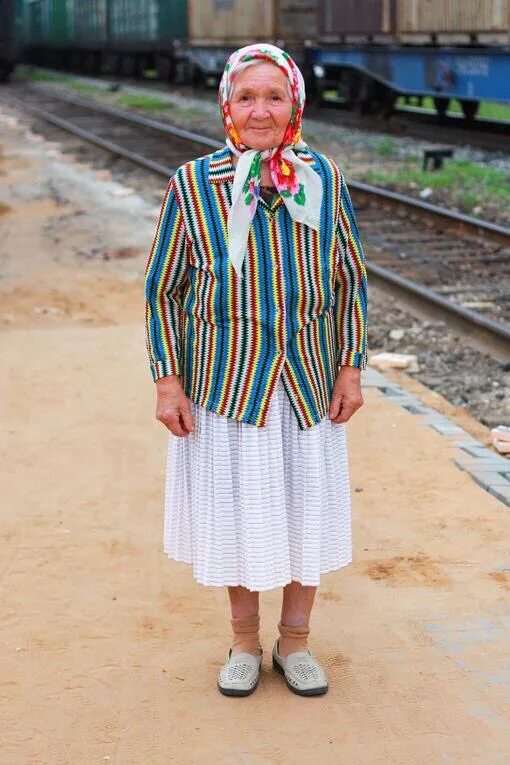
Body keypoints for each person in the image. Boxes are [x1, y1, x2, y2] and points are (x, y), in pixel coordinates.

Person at [144, 43, 367, 698]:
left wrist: (350, 366)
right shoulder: (193, 184)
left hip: (306, 382)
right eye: (247, 96)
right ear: (227, 106)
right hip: (227, 385)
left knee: (306, 512)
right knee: (238, 512)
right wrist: (168, 380)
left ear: (294, 104)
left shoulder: (321, 177)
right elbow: (162, 289)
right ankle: (244, 640)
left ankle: (294, 642)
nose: (261, 110)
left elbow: (349, 278)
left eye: (275, 96)